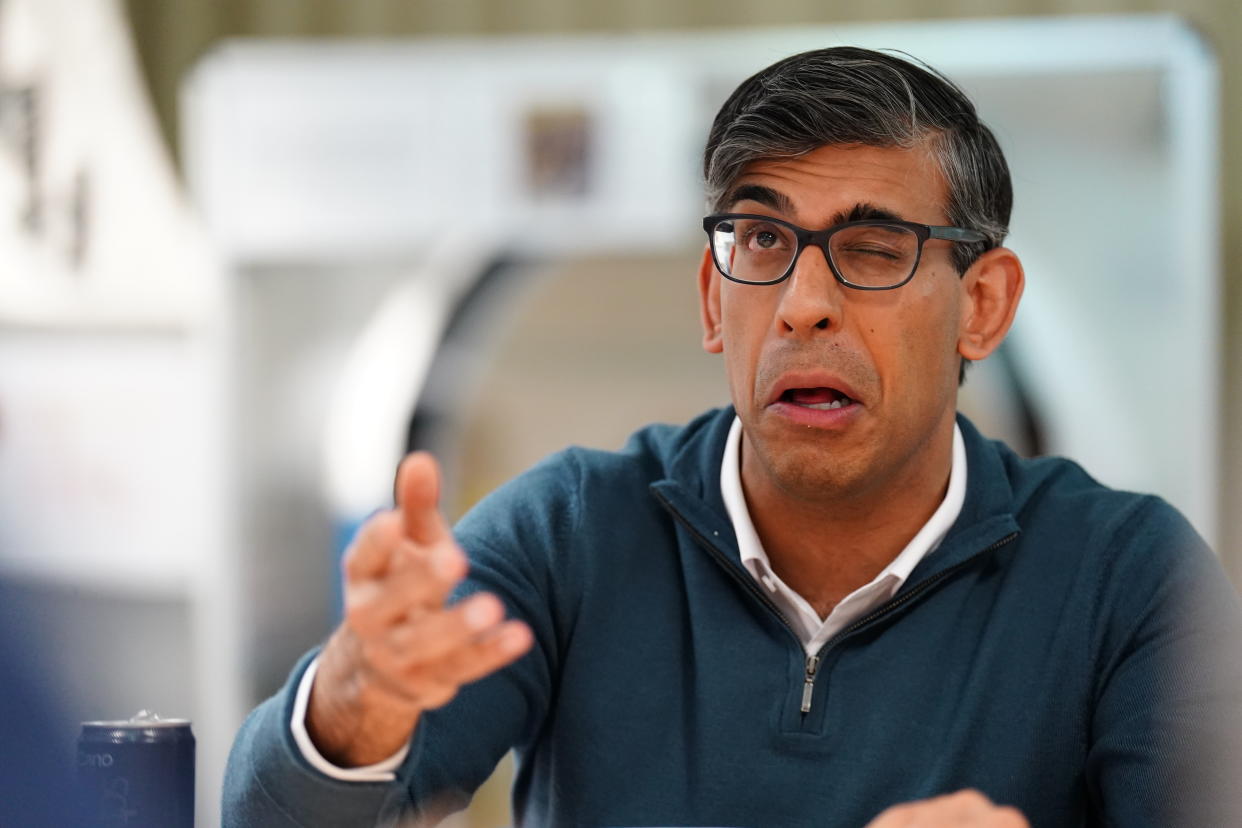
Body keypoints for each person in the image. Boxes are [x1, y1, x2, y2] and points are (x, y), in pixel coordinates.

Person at [222, 47, 1242, 827]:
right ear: (714, 300)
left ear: (982, 304)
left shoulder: (1127, 579)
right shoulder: (571, 533)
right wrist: (353, 701)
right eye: (762, 242)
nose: (801, 305)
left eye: (871, 247)